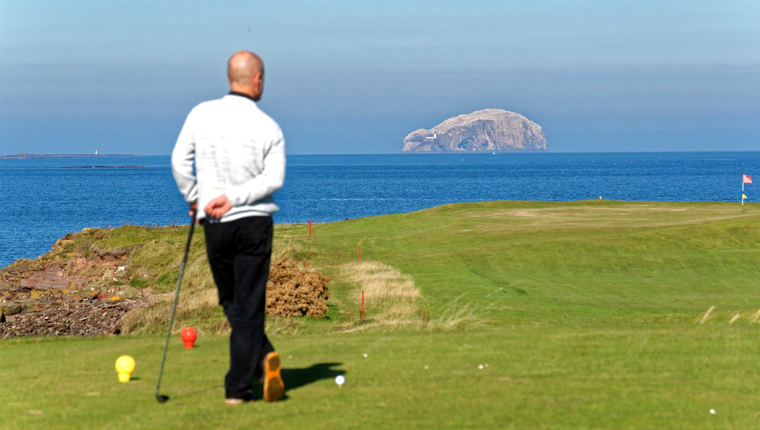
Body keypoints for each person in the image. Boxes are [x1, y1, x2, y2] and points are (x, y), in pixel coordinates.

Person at [171, 51, 286, 405]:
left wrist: (197, 197)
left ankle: (248, 374)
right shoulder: (269, 126)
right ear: (258, 80)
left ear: (229, 78)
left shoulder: (200, 114)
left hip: (215, 222)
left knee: (231, 300)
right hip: (254, 222)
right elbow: (274, 178)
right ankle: (250, 374)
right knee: (246, 304)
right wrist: (234, 198)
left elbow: (178, 161)